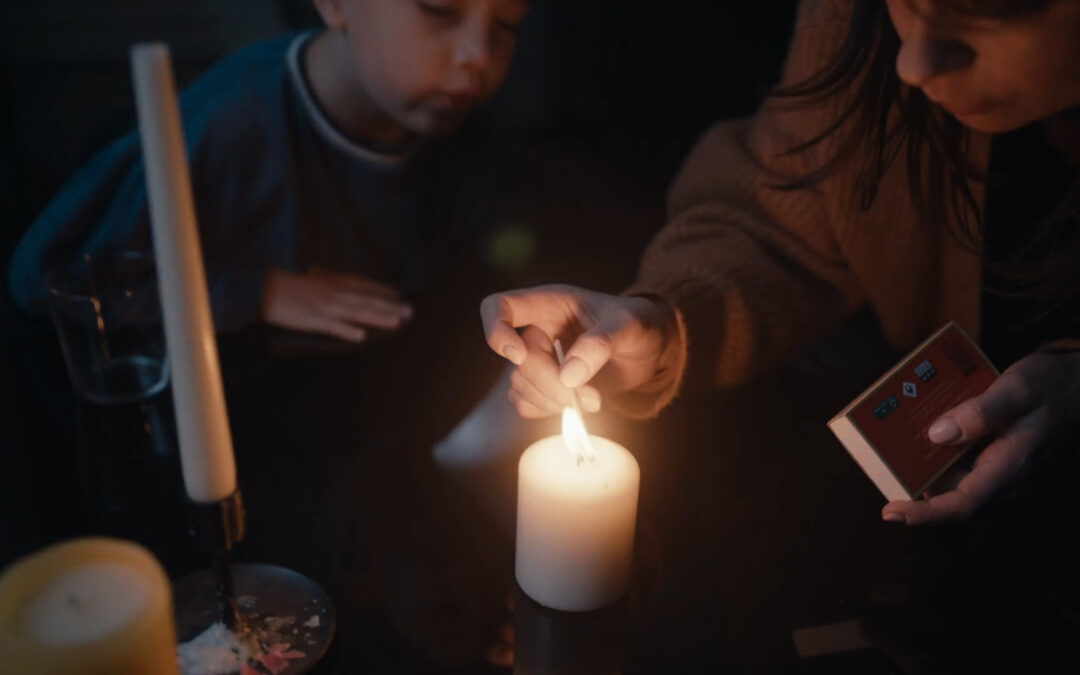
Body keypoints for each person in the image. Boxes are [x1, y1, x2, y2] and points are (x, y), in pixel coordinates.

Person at [480, 0, 1080, 525]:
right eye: (907, 4)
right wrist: (661, 327)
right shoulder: (857, 21)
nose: (913, 64)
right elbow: (792, 206)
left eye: (982, 12)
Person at [9, 0, 530, 339]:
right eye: (439, 10)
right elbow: (45, 276)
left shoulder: (469, 129)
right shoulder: (230, 122)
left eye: (506, 27)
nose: (478, 55)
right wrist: (257, 291)